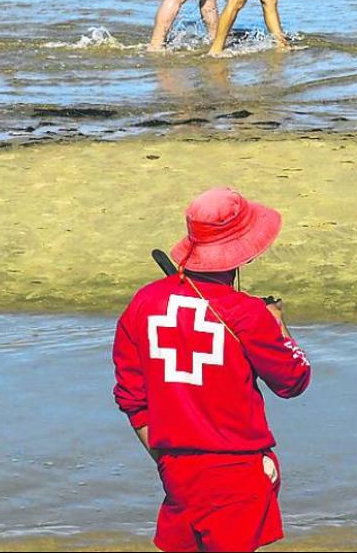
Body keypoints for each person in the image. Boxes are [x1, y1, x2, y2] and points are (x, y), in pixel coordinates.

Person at [112, 187, 311, 552]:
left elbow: (131, 399)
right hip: (238, 474)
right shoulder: (250, 314)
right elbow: (294, 380)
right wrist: (279, 324)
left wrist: (166, 462)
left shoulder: (144, 302)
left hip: (178, 473)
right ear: (242, 252)